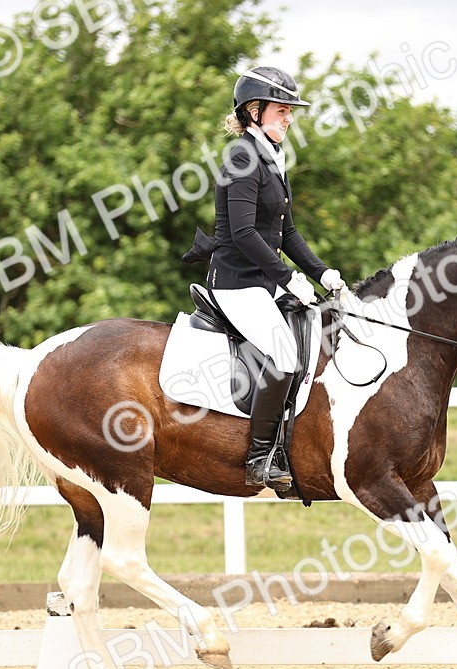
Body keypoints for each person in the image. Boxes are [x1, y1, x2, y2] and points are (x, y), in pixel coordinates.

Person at [186, 66, 346, 491]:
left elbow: (286, 232)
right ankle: (260, 458)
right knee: (285, 354)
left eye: (290, 110)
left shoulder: (271, 159)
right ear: (254, 111)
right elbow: (242, 232)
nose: (289, 117)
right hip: (237, 281)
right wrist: (288, 277)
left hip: (264, 281)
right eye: (282, 109)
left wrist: (321, 272)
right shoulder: (241, 157)